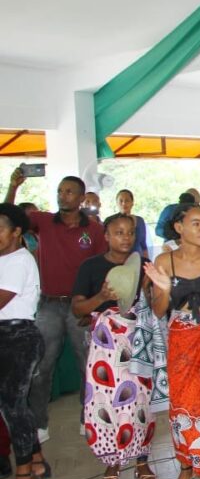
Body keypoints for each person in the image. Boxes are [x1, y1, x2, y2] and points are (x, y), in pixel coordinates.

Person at [5, 169, 106, 442]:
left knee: (87, 364)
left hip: (80, 306)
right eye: (60, 191)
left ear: (82, 197)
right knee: (41, 366)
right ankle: (39, 423)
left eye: (69, 191)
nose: (63, 195)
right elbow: (9, 217)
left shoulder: (94, 229)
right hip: (49, 304)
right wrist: (14, 186)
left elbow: (100, 269)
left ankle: (89, 419)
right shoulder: (43, 221)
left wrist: (92, 307)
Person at [147, 203, 200, 479]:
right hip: (181, 337)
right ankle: (186, 466)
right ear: (179, 228)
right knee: (183, 403)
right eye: (197, 223)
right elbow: (157, 310)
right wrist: (165, 289)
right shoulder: (164, 260)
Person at [71, 213, 156, 479]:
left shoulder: (145, 265)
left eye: (130, 232)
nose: (126, 238)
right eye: (118, 232)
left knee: (140, 399)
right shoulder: (90, 266)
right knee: (107, 399)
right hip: (106, 343)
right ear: (106, 236)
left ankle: (142, 459)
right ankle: (113, 460)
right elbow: (78, 309)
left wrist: (148, 291)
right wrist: (102, 298)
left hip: (138, 337)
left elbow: (156, 306)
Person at [0, 203, 49, 479]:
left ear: (17, 232)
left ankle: (24, 474)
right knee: (14, 404)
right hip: (7, 336)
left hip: (18, 337)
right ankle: (38, 461)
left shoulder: (18, 260)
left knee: (12, 406)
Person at [115, 189, 149, 258]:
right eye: (121, 201)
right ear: (117, 203)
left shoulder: (140, 220)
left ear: (132, 203)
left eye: (127, 200)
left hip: (138, 258)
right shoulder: (112, 221)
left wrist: (147, 261)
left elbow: (143, 245)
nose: (124, 203)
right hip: (119, 259)